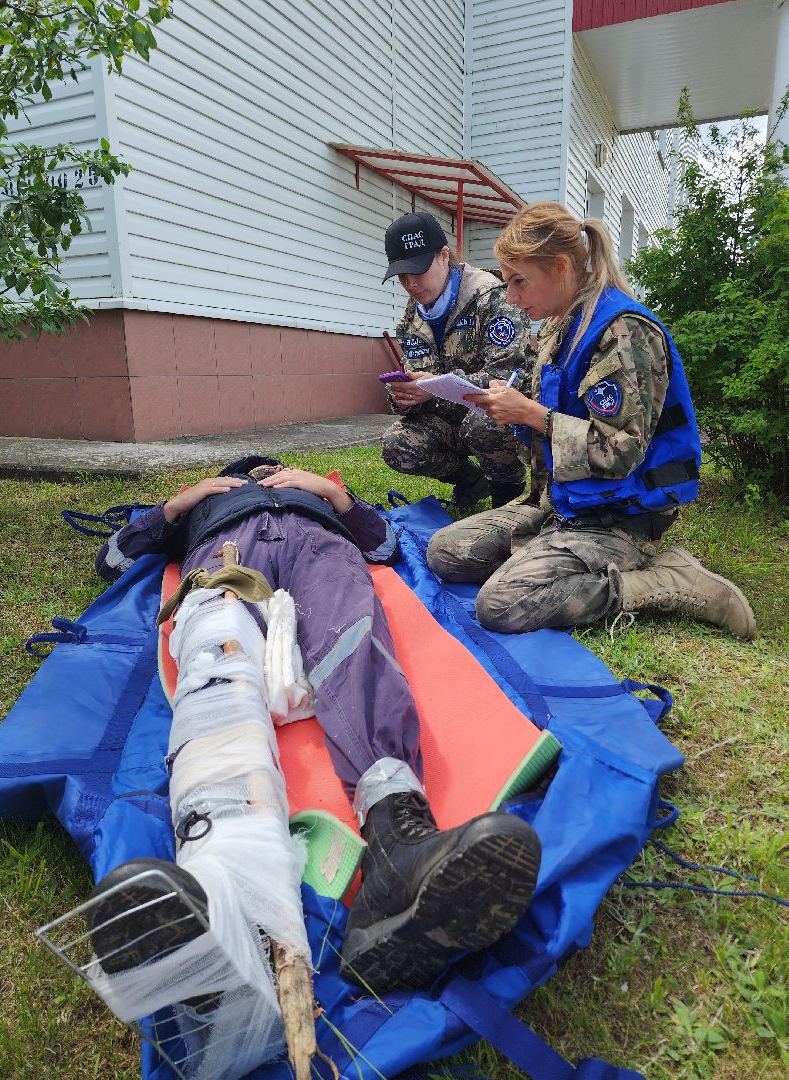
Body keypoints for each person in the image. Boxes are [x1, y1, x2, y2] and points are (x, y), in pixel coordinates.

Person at [89, 456, 541, 995]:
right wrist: (177, 506)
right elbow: (112, 559)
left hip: (319, 548)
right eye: (252, 470)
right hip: (227, 551)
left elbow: (384, 547)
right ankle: (219, 873)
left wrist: (335, 498)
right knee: (216, 654)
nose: (264, 471)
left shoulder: (318, 497)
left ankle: (397, 846)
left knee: (352, 644)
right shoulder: (205, 503)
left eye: (274, 467)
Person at [426, 202, 756, 640]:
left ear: (561, 267)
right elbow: (551, 430)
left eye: (519, 281)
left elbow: (620, 452)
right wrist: (514, 411)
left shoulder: (624, 332)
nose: (512, 298)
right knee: (444, 553)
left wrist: (533, 414)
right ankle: (547, 556)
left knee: (500, 604)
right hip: (564, 506)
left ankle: (671, 579)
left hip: (619, 518)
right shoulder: (560, 327)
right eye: (507, 283)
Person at [380, 210, 534, 509]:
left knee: (483, 422)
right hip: (449, 419)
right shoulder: (412, 319)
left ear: (444, 256)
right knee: (397, 444)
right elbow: (418, 377)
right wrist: (405, 396)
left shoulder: (491, 297)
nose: (411, 284)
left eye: (418, 272)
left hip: (498, 415)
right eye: (402, 277)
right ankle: (471, 482)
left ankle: (508, 495)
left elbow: (511, 376)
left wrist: (435, 386)